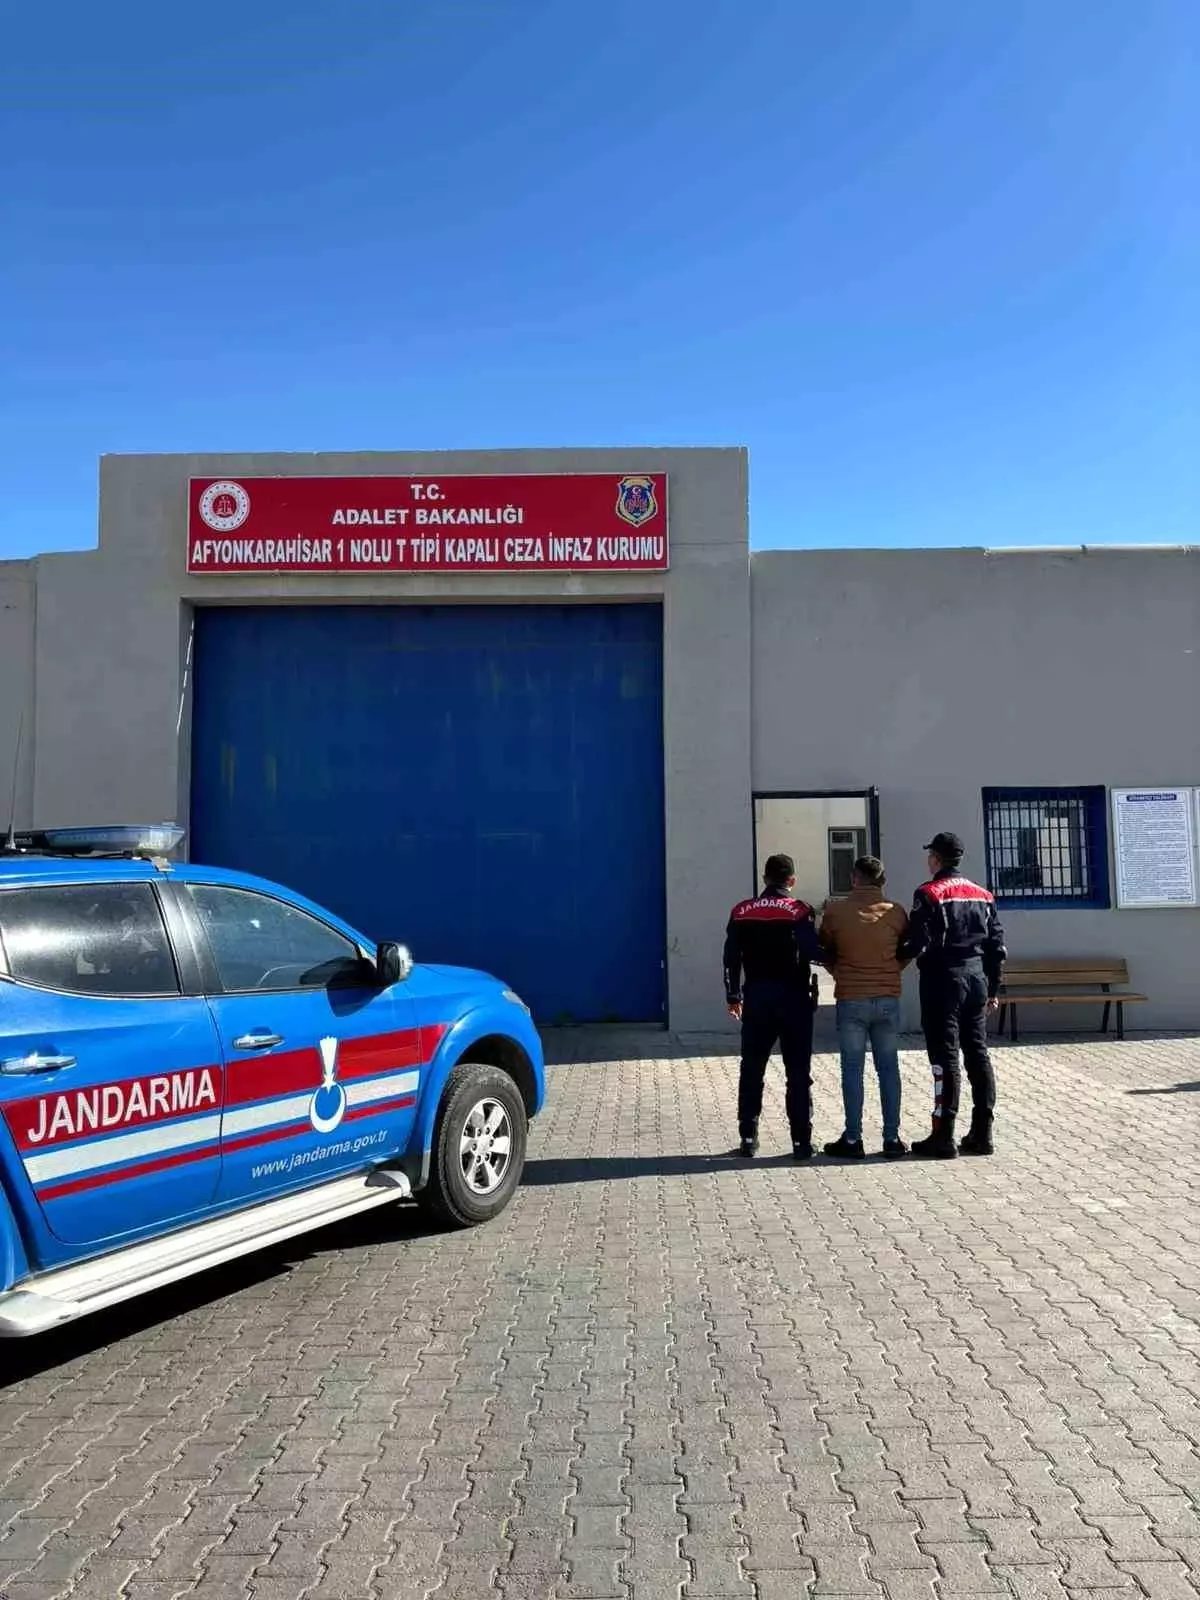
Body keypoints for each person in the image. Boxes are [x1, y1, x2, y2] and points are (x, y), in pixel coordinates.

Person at [900, 831, 1006, 1159]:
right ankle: (982, 1133)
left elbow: (917, 941)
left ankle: (943, 1135)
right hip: (976, 979)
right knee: (978, 1054)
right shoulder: (983, 895)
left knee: (945, 1057)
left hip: (942, 980)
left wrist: (893, 958)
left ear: (935, 859)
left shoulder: (928, 893)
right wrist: (992, 989)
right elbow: (996, 948)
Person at [723, 853, 821, 1161]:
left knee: (752, 1068)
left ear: (764, 878)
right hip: (794, 999)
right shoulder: (800, 910)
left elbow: (731, 958)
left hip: (757, 998)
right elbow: (812, 951)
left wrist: (733, 996)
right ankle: (801, 1142)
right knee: (798, 1072)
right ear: (791, 880)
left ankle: (748, 1137)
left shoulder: (741, 911)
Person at [818, 855, 909, 1160]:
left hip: (851, 998)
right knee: (888, 1069)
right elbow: (908, 948)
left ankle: (853, 1138)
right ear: (883, 880)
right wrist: (892, 970)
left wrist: (838, 972)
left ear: (854, 879)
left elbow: (824, 949)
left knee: (852, 1069)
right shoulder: (896, 912)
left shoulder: (836, 911)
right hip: (887, 999)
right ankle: (892, 1138)